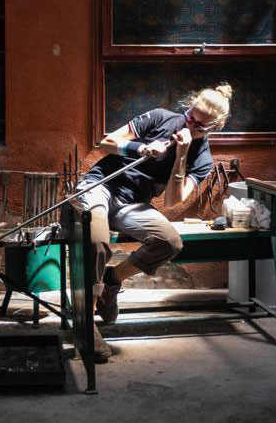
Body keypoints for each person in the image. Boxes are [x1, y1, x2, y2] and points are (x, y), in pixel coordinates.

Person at [74, 85, 233, 362]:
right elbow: (106, 142)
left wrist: (181, 156)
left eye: (199, 126)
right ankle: (88, 322)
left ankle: (112, 280)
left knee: (169, 242)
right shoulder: (159, 117)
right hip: (100, 187)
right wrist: (140, 147)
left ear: (214, 128)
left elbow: (171, 201)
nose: (190, 125)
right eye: (190, 117)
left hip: (133, 203)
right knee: (97, 241)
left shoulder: (202, 160)